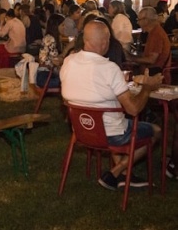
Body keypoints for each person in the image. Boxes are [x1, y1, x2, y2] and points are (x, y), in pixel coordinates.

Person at [60, 20, 161, 190]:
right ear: (105, 42)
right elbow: (134, 109)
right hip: (111, 134)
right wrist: (147, 89)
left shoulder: (68, 62)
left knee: (113, 119)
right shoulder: (109, 69)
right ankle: (116, 171)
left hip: (81, 130)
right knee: (155, 131)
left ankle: (121, 174)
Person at [128, 7, 171, 73]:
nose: (138, 23)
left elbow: (151, 60)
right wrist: (132, 56)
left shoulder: (156, 34)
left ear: (146, 20)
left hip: (154, 75)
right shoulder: (154, 32)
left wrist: (132, 58)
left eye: (139, 20)